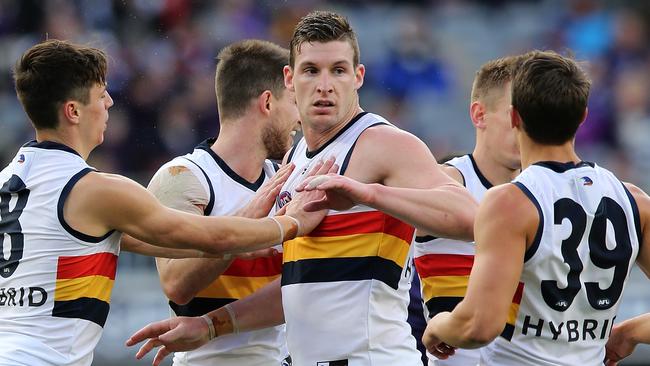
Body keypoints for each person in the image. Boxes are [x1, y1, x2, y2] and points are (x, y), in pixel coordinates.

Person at [126, 11, 477, 366]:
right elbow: (299, 290)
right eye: (311, 70)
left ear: (358, 78)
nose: (325, 84)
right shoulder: (294, 162)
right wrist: (211, 326)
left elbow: (468, 217)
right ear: (289, 79)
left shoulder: (383, 141)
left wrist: (367, 194)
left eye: (338, 70)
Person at [0, 39, 329, 366]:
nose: (110, 103)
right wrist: (289, 224)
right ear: (73, 112)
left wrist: (249, 234)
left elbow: (184, 244)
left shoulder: (7, 182)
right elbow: (202, 241)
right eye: (101, 96)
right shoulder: (96, 189)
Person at [421, 50, 650, 365]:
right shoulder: (634, 202)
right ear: (582, 116)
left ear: (515, 117)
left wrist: (438, 326)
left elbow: (479, 326)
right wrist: (631, 331)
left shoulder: (510, 203)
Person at [147, 39, 298, 366]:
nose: (299, 119)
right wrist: (245, 229)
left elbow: (303, 287)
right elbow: (176, 283)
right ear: (268, 102)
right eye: (295, 101)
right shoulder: (184, 177)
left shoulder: (288, 178)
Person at [413, 55, 522, 366]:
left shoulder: (542, 191)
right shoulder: (445, 181)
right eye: (515, 115)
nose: (525, 127)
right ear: (479, 114)